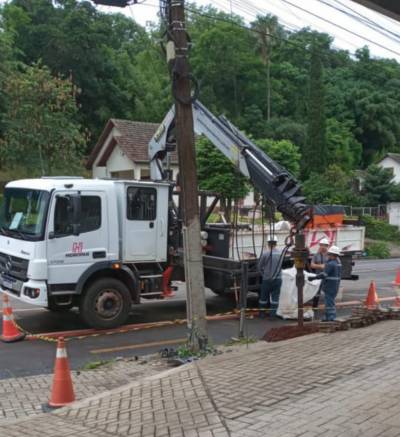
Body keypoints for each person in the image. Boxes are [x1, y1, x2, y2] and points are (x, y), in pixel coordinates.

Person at [309, 245, 342, 321]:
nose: (328, 255)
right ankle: (327, 317)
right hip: (335, 286)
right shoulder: (338, 263)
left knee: (329, 303)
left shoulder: (331, 264)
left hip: (329, 286)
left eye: (329, 254)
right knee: (329, 302)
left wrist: (313, 278)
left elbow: (324, 274)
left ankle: (331, 318)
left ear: (332, 255)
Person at [258, 235, 283, 318]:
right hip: (278, 279)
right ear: (276, 243)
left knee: (263, 298)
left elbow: (259, 267)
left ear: (268, 243)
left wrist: (264, 274)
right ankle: (272, 315)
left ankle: (262, 314)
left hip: (267, 279)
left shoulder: (265, 254)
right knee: (275, 297)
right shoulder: (280, 254)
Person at [310, 238, 329, 310]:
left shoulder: (330, 255)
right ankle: (315, 306)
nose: (321, 247)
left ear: (327, 246)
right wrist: (320, 266)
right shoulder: (316, 255)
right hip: (318, 276)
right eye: (320, 245)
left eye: (323, 245)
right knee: (317, 291)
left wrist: (325, 266)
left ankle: (327, 307)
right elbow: (312, 265)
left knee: (327, 291)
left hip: (327, 276)